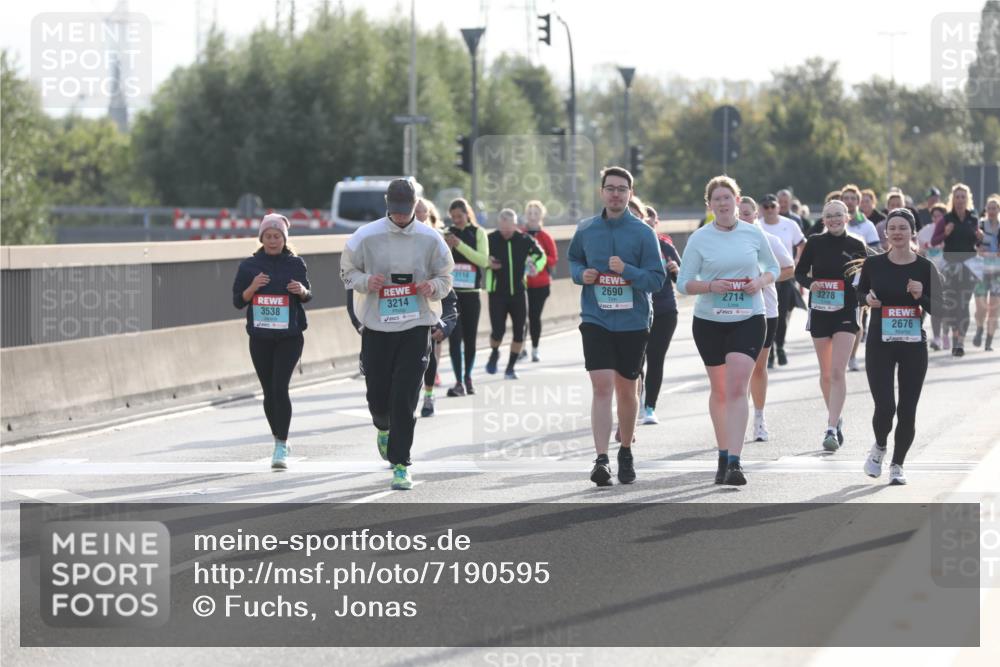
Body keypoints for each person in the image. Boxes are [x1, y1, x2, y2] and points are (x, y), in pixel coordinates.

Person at [340, 179, 454, 490]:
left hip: (416, 325)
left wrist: (433, 287)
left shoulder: (432, 239)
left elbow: (446, 278)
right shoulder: (366, 236)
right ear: (388, 206)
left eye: (406, 211)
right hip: (377, 325)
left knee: (405, 397)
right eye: (396, 211)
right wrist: (366, 281)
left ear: (415, 205)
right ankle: (382, 426)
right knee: (378, 396)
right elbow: (346, 272)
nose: (401, 217)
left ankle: (401, 464)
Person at [677, 176, 779, 486]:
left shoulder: (753, 234)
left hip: (748, 317)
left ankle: (735, 461)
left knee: (737, 388)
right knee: (720, 390)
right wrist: (710, 286)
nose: (722, 203)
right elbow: (683, 283)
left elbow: (772, 269)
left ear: (737, 200)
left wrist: (758, 283)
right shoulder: (699, 239)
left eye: (727, 197)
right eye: (716, 199)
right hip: (709, 321)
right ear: (709, 205)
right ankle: (723, 453)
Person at [569, 166, 665, 486]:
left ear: (630, 194)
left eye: (622, 189)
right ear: (601, 192)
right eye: (610, 188)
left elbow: (656, 279)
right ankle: (600, 459)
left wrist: (628, 271)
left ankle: (625, 449)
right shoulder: (586, 229)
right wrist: (581, 275)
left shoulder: (642, 233)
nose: (615, 194)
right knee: (601, 386)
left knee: (626, 389)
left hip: (632, 321)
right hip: (595, 318)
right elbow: (573, 261)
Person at [856, 208, 941, 485]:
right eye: (892, 227)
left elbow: (941, 309)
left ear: (912, 232)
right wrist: (867, 299)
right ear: (886, 232)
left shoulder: (925, 267)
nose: (897, 232)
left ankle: (898, 464)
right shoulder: (874, 264)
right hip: (880, 343)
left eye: (903, 228)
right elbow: (859, 294)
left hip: (913, 346)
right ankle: (880, 446)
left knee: (907, 409)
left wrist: (921, 295)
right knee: (885, 406)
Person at [231, 213, 312, 470]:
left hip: (290, 336)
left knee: (280, 387)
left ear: (284, 238)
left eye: (277, 236)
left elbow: (308, 295)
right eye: (268, 236)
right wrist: (253, 287)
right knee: (268, 391)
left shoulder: (296, 263)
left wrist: (301, 291)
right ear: (261, 238)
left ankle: (281, 444)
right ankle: (278, 435)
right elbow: (237, 301)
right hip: (261, 337)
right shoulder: (249, 266)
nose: (273, 240)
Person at [795, 200, 869, 451]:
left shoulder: (856, 245)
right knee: (826, 373)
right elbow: (799, 272)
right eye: (829, 216)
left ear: (847, 217)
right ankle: (836, 418)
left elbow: (864, 279)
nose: (834, 219)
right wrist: (810, 283)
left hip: (846, 312)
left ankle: (830, 427)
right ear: (823, 220)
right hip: (820, 311)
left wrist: (863, 296)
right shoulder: (815, 242)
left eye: (839, 215)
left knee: (838, 371)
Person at [738, 197, 795, 442]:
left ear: (757, 215)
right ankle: (736, 418)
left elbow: (789, 268)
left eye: (748, 214)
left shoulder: (770, 240)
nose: (744, 218)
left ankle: (759, 418)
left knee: (758, 368)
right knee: (737, 371)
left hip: (765, 310)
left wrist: (764, 278)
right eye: (740, 214)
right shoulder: (725, 242)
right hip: (733, 311)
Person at [484, 209, 547, 379]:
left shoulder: (524, 239)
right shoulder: (490, 239)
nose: (506, 231)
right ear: (499, 225)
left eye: (509, 228)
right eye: (503, 228)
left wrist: (535, 265)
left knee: (520, 332)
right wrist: (488, 262)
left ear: (515, 225)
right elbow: (479, 257)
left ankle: (510, 368)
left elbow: (541, 256)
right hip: (497, 293)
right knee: (498, 332)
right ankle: (494, 352)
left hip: (519, 293)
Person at [639, 203, 681, 425]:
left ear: (656, 224)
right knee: (637, 360)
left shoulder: (666, 247)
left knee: (655, 358)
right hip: (638, 311)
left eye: (650, 222)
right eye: (643, 222)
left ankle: (650, 407)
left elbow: (682, 281)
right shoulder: (632, 246)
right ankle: (636, 397)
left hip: (664, 311)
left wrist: (676, 271)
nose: (647, 226)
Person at [443, 198, 490, 396]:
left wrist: (460, 245)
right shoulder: (448, 233)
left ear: (467, 214)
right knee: (455, 339)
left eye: (460, 217)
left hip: (471, 294)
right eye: (453, 217)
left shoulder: (478, 232)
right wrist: (450, 247)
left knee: (470, 339)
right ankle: (458, 381)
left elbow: (483, 260)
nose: (457, 220)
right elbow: (441, 262)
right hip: (453, 295)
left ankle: (468, 378)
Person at [932, 183, 984, 356]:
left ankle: (959, 342)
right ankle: (954, 336)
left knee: (963, 304)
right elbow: (934, 241)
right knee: (951, 306)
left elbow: (977, 243)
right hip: (950, 266)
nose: (960, 200)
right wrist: (945, 233)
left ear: (967, 199)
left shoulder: (973, 218)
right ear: (952, 199)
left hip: (969, 265)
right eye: (957, 197)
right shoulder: (945, 219)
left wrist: (979, 238)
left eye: (963, 197)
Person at [760, 193, 805, 367]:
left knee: (783, 313)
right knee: (766, 314)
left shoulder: (789, 224)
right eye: (766, 207)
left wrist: (798, 261)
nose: (770, 210)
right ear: (761, 209)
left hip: (784, 275)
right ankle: (769, 351)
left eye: (772, 206)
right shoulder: (758, 226)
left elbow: (802, 243)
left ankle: (780, 346)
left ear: (778, 207)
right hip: (764, 277)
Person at [522, 200, 559, 363]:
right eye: (529, 213)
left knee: (534, 317)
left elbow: (553, 259)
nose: (532, 217)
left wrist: (537, 261)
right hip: (521, 284)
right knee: (521, 318)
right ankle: (520, 348)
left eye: (535, 214)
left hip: (541, 284)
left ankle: (535, 349)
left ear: (541, 216)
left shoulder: (545, 237)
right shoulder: (520, 235)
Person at [917, 203, 948, 349]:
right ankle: (918, 331)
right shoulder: (925, 231)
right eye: (934, 216)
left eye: (940, 216)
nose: (937, 219)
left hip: (946, 272)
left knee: (939, 305)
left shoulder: (949, 231)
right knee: (924, 303)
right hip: (927, 272)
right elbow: (919, 251)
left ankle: (939, 337)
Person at [973, 194, 1000, 351]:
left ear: (998, 210)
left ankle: (988, 341)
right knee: (981, 307)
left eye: (994, 208)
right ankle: (979, 328)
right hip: (981, 272)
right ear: (986, 209)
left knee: (995, 308)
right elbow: (973, 244)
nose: (991, 210)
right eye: (989, 208)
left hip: (997, 273)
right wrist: (978, 249)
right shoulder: (980, 226)